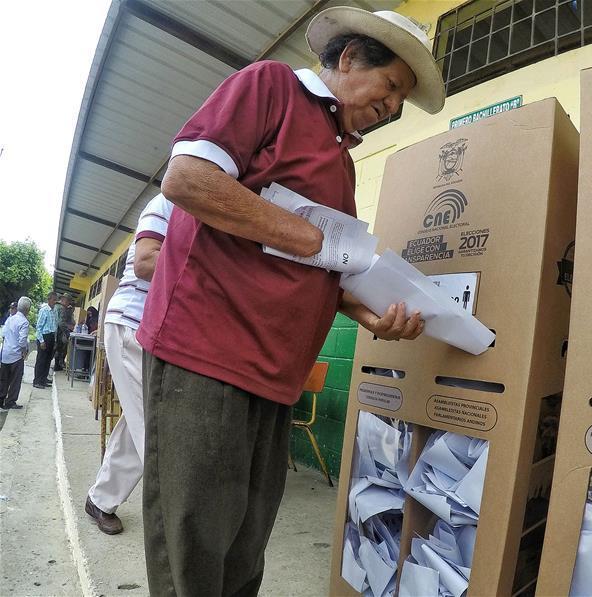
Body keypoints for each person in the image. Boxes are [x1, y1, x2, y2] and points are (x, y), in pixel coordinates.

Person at [138, 7, 444, 595]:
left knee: (247, 542)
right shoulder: (271, 86)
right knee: (196, 539)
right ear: (351, 58)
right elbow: (187, 181)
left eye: (401, 99)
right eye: (393, 86)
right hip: (208, 352)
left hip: (277, 373)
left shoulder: (342, 163)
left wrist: (371, 313)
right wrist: (311, 236)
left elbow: (327, 269)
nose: (395, 107)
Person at [85, 194, 172, 535]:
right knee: (157, 432)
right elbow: (145, 264)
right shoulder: (166, 203)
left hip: (153, 332)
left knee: (139, 422)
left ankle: (100, 499)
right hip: (131, 325)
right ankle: (174, 525)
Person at [0, 297, 31, 409]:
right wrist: (24, 352)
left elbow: (3, 334)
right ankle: (10, 401)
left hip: (5, 353)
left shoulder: (10, 319)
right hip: (16, 356)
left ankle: (1, 399)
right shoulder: (24, 322)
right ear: (28, 309)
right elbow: (22, 341)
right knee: (15, 380)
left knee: (3, 379)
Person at [33, 291, 58, 388]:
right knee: (41, 360)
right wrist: (41, 341)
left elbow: (55, 326)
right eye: (53, 299)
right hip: (44, 336)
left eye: (56, 300)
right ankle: (37, 381)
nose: (55, 301)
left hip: (51, 336)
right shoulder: (44, 310)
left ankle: (43, 379)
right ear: (49, 299)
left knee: (48, 359)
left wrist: (55, 340)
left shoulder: (54, 310)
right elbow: (39, 327)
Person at [53, 293, 75, 372]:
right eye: (68, 301)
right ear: (65, 300)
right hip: (59, 332)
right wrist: (67, 332)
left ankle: (57, 365)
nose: (69, 303)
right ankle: (57, 366)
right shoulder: (62, 308)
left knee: (56, 349)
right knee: (59, 349)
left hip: (53, 330)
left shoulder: (56, 306)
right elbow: (61, 322)